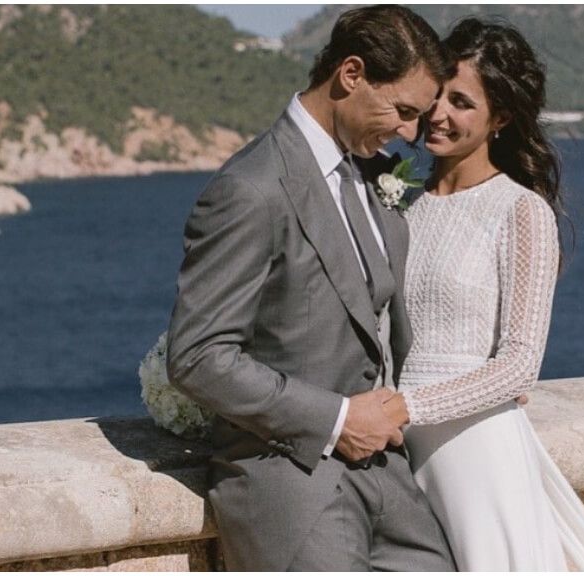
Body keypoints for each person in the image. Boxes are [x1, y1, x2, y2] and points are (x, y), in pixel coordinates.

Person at [165, 6, 455, 571]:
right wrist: (339, 420)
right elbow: (198, 357)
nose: (411, 134)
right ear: (351, 74)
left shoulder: (373, 177)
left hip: (391, 482)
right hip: (291, 487)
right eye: (402, 111)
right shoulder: (251, 189)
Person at [396, 18, 584, 571]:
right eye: (437, 94)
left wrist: (408, 406)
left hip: (474, 450)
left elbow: (521, 365)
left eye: (462, 102)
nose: (439, 114)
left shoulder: (520, 212)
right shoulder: (398, 198)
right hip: (396, 449)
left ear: (500, 117)